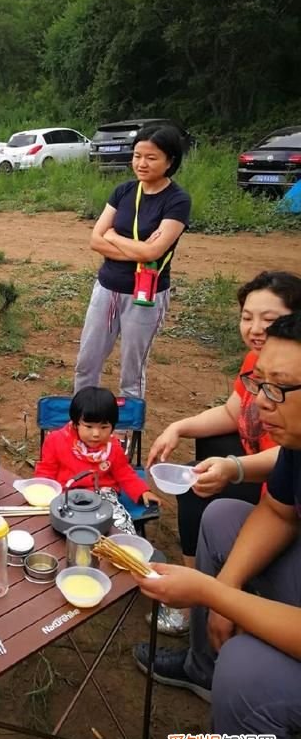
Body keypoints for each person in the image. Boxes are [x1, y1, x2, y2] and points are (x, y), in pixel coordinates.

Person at [133, 312, 301, 739]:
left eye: (278, 388)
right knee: (225, 515)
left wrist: (212, 593)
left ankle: (241, 737)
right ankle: (202, 670)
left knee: (247, 671)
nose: (262, 403)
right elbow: (279, 512)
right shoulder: (296, 446)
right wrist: (224, 587)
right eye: (259, 382)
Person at [145, 271, 301, 635]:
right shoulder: (254, 362)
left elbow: (288, 455)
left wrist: (234, 468)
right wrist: (179, 426)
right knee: (203, 461)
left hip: (273, 486)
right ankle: (203, 592)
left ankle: (195, 600)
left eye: (270, 319)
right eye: (247, 317)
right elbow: (233, 412)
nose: (255, 328)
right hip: (272, 490)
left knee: (199, 490)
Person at [75, 124, 191, 399]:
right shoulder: (123, 191)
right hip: (107, 289)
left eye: (151, 158)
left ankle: (128, 435)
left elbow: (154, 253)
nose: (142, 163)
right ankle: (83, 420)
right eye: (138, 155)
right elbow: (95, 240)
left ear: (170, 161)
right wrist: (138, 248)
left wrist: (114, 236)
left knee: (132, 372)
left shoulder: (177, 200)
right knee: (86, 364)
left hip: (146, 295)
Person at [34, 386, 161, 534]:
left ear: (113, 427)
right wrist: (41, 493)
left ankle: (121, 552)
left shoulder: (112, 447)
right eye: (88, 426)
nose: (96, 433)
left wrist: (141, 491)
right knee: (61, 533)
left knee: (119, 530)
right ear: (76, 424)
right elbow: (46, 471)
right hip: (66, 494)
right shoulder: (55, 441)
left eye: (104, 427)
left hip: (102, 495)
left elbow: (124, 473)